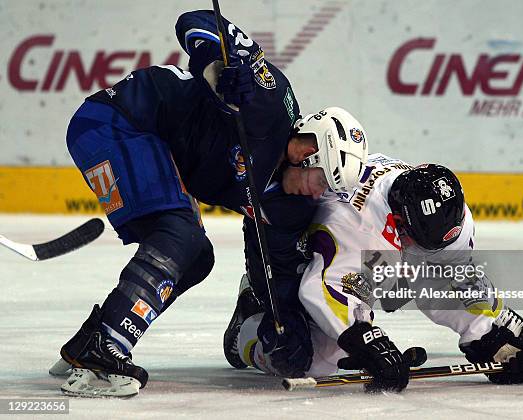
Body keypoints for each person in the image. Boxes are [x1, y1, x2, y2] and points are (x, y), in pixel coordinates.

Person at [53, 9, 368, 397]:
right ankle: (106, 345)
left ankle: (93, 339)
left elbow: (275, 266)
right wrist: (216, 71)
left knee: (198, 255)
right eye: (321, 180)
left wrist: (282, 326)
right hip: (119, 121)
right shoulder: (268, 102)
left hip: (154, 149)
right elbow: (197, 20)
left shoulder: (290, 206)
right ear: (309, 151)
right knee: (180, 236)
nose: (317, 194)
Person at [227, 154, 523, 392]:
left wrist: (488, 338)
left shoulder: (449, 216)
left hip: (365, 255)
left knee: (429, 267)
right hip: (293, 257)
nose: (420, 256)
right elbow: (326, 288)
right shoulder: (357, 223)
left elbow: (452, 275)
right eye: (412, 241)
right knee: (307, 360)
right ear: (397, 218)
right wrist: (367, 341)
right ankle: (248, 328)